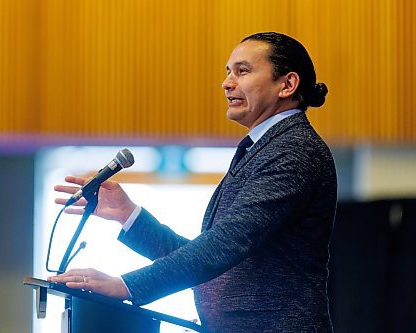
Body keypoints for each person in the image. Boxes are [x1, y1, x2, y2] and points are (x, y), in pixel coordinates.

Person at [49, 32, 337, 332]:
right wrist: (128, 214)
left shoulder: (293, 149)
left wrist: (127, 286)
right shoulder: (264, 147)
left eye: (242, 71)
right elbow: (212, 256)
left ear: (287, 84)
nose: (227, 83)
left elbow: (226, 242)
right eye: (228, 72)